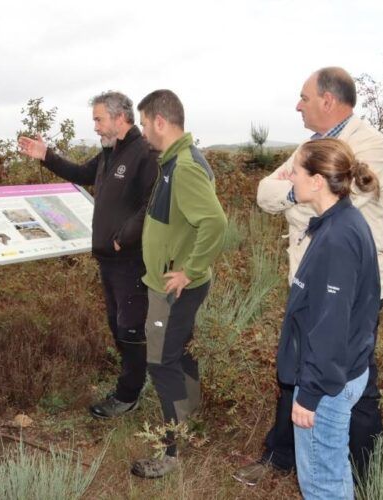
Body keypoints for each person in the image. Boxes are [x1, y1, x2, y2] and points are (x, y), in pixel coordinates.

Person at [235, 67, 383, 486]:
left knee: (349, 380)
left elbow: (343, 200)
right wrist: (294, 192)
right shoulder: (311, 147)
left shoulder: (370, 144)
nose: (297, 105)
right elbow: (265, 193)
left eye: (304, 97)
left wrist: (297, 193)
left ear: (328, 100)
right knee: (297, 372)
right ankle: (282, 453)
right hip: (307, 276)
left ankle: (358, 472)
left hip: (349, 285)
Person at [18, 91, 158, 419]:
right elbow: (82, 174)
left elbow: (151, 204)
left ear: (120, 117)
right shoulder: (110, 152)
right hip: (109, 261)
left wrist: (124, 238)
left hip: (131, 260)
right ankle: (135, 382)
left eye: (98, 119)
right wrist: (46, 155)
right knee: (118, 325)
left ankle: (128, 394)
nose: (95, 126)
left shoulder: (144, 153)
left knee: (130, 328)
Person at [277, 138, 381, 499]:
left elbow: (331, 326)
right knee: (332, 475)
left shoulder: (338, 237)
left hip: (328, 386)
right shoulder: (340, 222)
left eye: (297, 169)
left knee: (322, 484)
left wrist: (309, 394)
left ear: (318, 180)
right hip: (341, 372)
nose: (290, 174)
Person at [131, 89, 227, 478]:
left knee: (161, 361)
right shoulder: (174, 161)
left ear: (159, 121)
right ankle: (189, 414)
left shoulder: (184, 165)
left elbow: (215, 222)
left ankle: (171, 452)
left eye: (143, 123)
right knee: (182, 351)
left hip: (173, 288)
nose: (142, 132)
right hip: (171, 282)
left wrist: (189, 269)